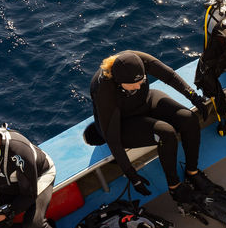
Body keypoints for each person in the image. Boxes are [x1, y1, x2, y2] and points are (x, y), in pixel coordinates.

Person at [88, 50, 217, 202]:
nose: (138, 85)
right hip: (120, 122)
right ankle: (175, 187)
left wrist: (193, 97)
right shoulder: (104, 90)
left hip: (144, 102)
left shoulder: (137, 60)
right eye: (133, 84)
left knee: (189, 118)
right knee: (166, 133)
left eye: (141, 80)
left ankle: (192, 172)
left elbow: (169, 76)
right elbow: (113, 139)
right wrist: (132, 175)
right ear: (118, 81)